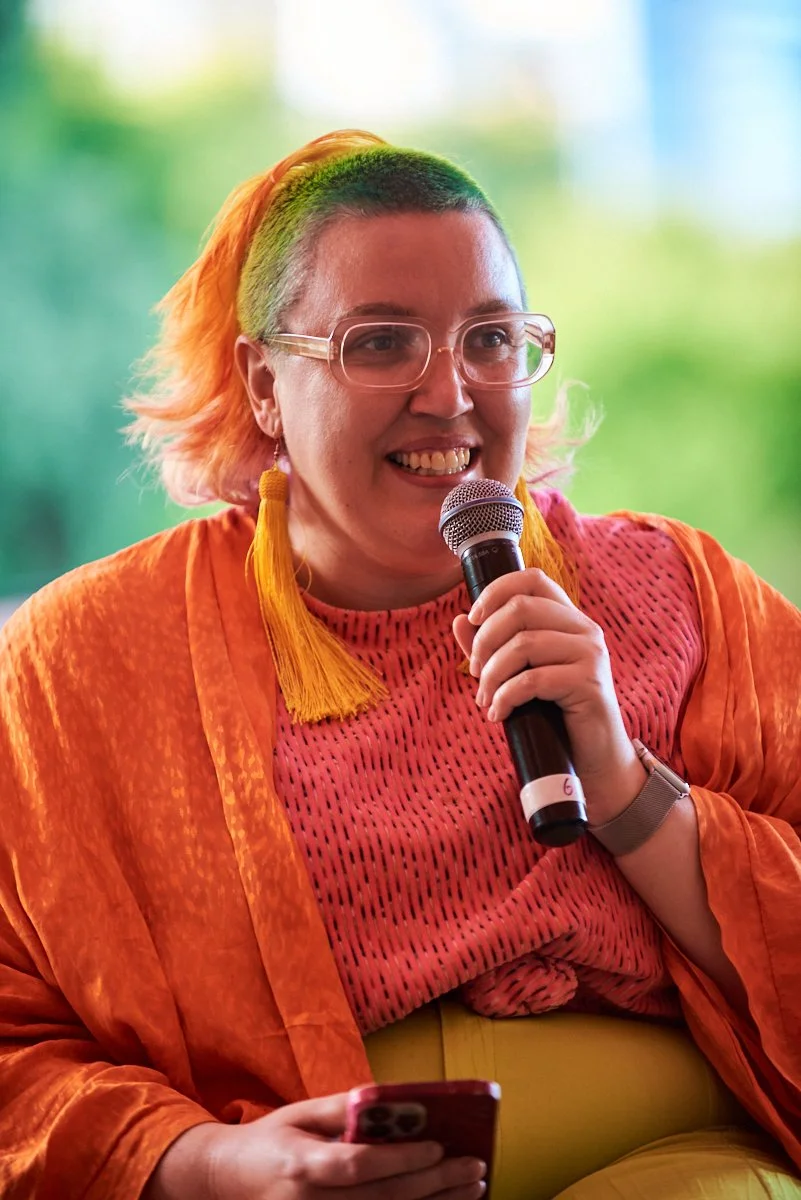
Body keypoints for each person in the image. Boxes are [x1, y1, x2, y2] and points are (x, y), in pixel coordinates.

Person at [0, 129, 799, 1200]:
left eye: (491, 339)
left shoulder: (679, 595)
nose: (451, 396)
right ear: (265, 383)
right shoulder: (81, 666)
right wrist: (208, 1165)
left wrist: (626, 785)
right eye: (381, 344)